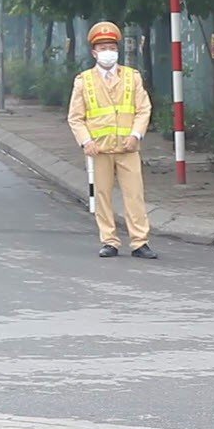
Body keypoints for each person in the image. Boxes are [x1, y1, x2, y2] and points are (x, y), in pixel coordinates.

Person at [67, 21, 157, 259]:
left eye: (111, 47)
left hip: (128, 148)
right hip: (100, 149)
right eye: (103, 47)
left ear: (117, 50)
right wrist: (87, 142)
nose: (108, 52)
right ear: (94, 52)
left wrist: (136, 134)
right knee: (103, 196)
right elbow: (75, 118)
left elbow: (143, 109)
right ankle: (109, 240)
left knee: (135, 195)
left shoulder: (132, 77)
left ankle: (140, 242)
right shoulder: (84, 81)